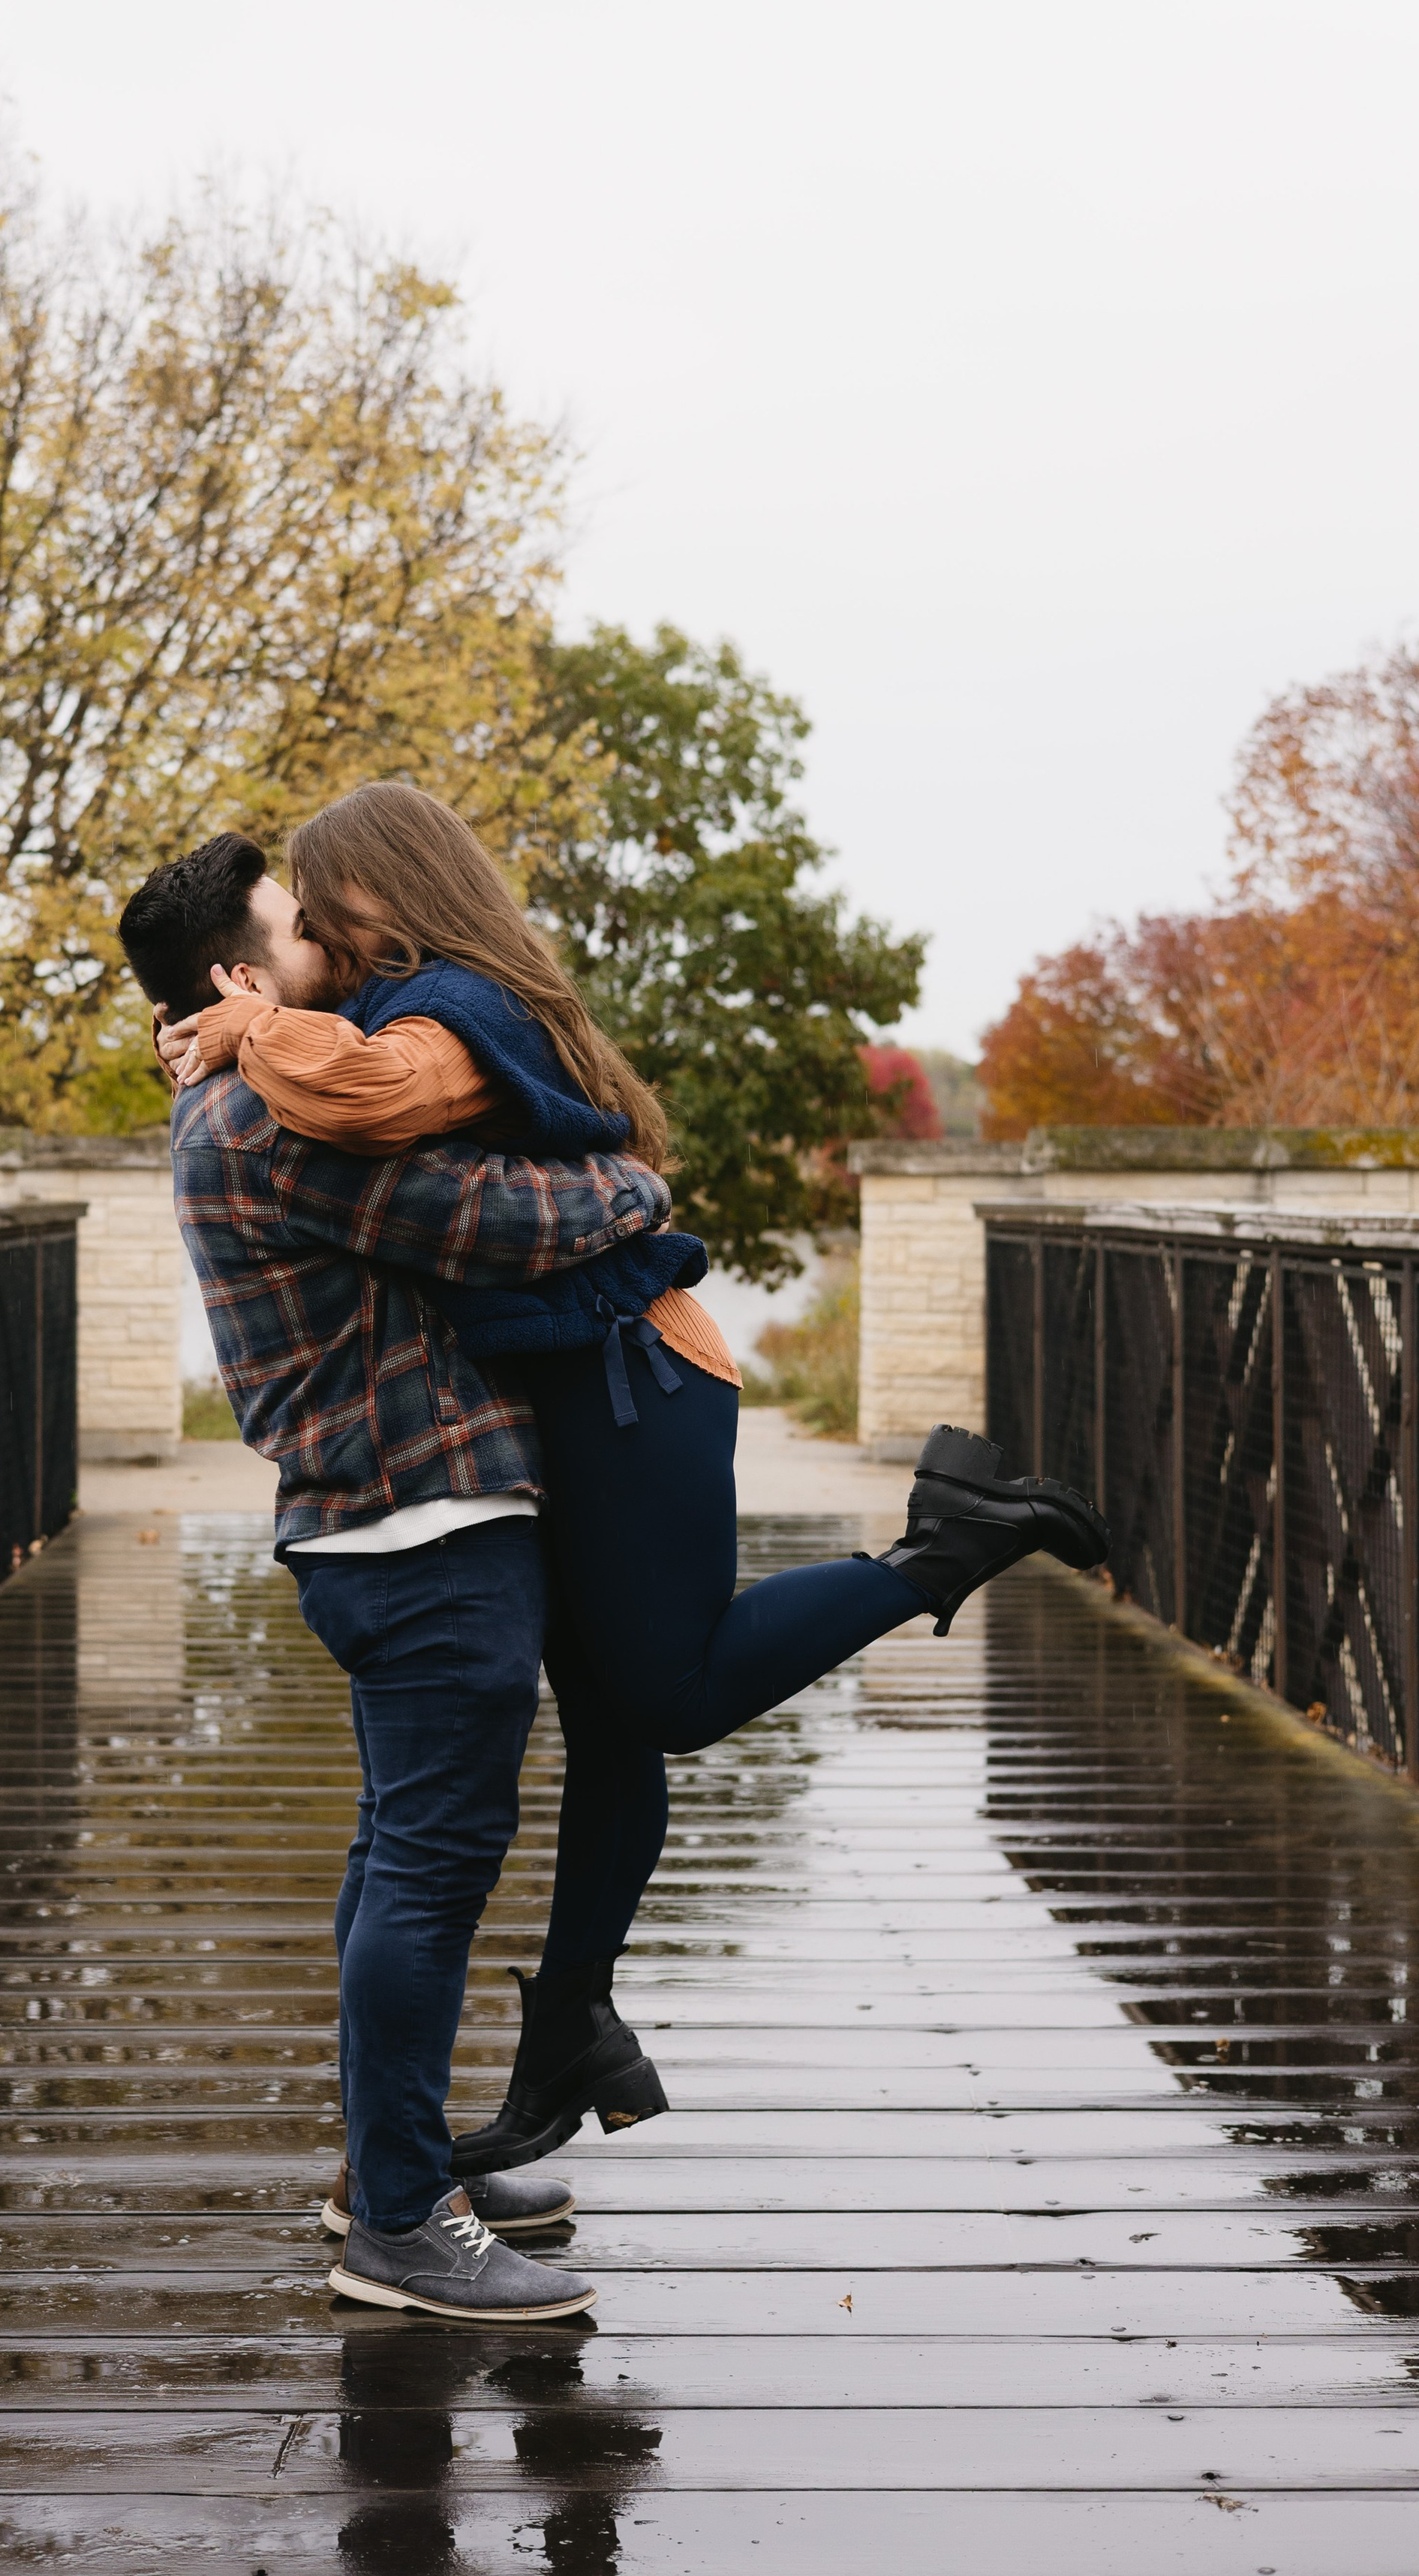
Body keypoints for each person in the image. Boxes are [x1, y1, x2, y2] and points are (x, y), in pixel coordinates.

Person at [155, 785, 1108, 2183]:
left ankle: (933, 1554)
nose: (318, 935)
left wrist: (248, 1025)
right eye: (291, 922)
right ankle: (573, 2031)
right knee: (608, 1718)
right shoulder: (399, 1015)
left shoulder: (437, 1013)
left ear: (380, 894)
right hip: (582, 1383)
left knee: (664, 1695)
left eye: (320, 906)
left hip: (634, 1375)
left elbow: (408, 1131)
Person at [120, 832, 664, 2323]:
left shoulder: (244, 1100)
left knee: (399, 1857)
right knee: (427, 1871)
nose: (335, 943)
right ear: (240, 976)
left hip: (385, 1524)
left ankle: (391, 2167)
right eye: (298, 928)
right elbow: (486, 1218)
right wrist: (629, 1182)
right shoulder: (261, 1119)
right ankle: (403, 2230)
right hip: (419, 1525)